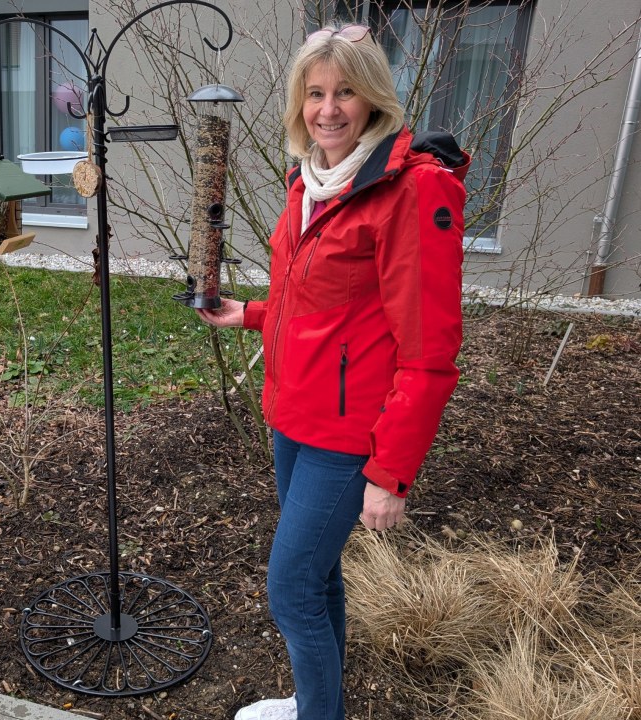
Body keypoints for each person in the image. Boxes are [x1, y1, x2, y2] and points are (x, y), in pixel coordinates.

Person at [196, 23, 468, 720]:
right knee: (318, 581)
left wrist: (390, 472)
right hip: (295, 415)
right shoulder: (309, 181)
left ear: (374, 97)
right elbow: (315, 298)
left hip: (351, 437)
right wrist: (251, 313)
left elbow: (430, 353)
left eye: (346, 91)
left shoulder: (411, 192)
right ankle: (317, 704)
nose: (328, 109)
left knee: (290, 588)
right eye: (315, 93)